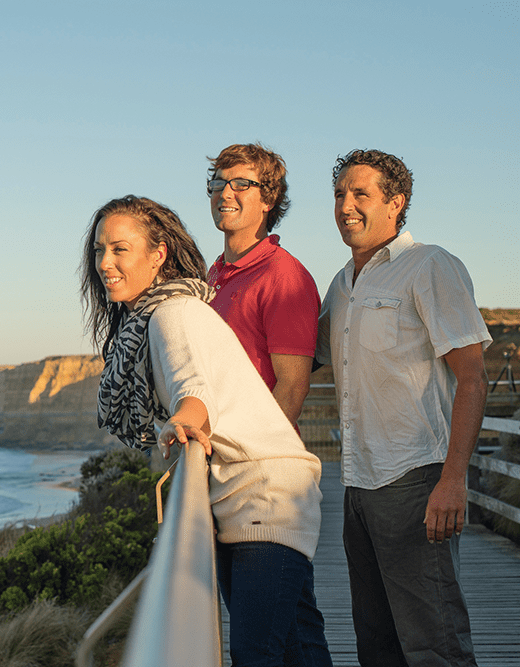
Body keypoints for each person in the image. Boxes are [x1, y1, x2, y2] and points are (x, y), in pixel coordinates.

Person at [82, 195, 331, 667]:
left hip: (263, 498)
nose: (105, 263)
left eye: (119, 249)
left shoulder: (172, 313)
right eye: (99, 250)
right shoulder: (157, 315)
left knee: (257, 655)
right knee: (300, 650)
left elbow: (192, 386)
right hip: (250, 495)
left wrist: (185, 422)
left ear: (158, 255)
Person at [316, 149, 490, 667]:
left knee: (434, 642)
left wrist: (453, 479)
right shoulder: (342, 284)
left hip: (415, 479)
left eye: (360, 193)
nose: (346, 205)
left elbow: (474, 378)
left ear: (397, 202)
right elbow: (300, 359)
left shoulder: (430, 266)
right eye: (339, 194)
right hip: (357, 486)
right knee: (378, 644)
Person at [206, 143, 320, 429]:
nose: (226, 193)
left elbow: (292, 388)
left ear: (268, 199)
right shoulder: (216, 272)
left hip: (256, 463)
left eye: (241, 184)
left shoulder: (283, 276)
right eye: (219, 182)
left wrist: (246, 454)